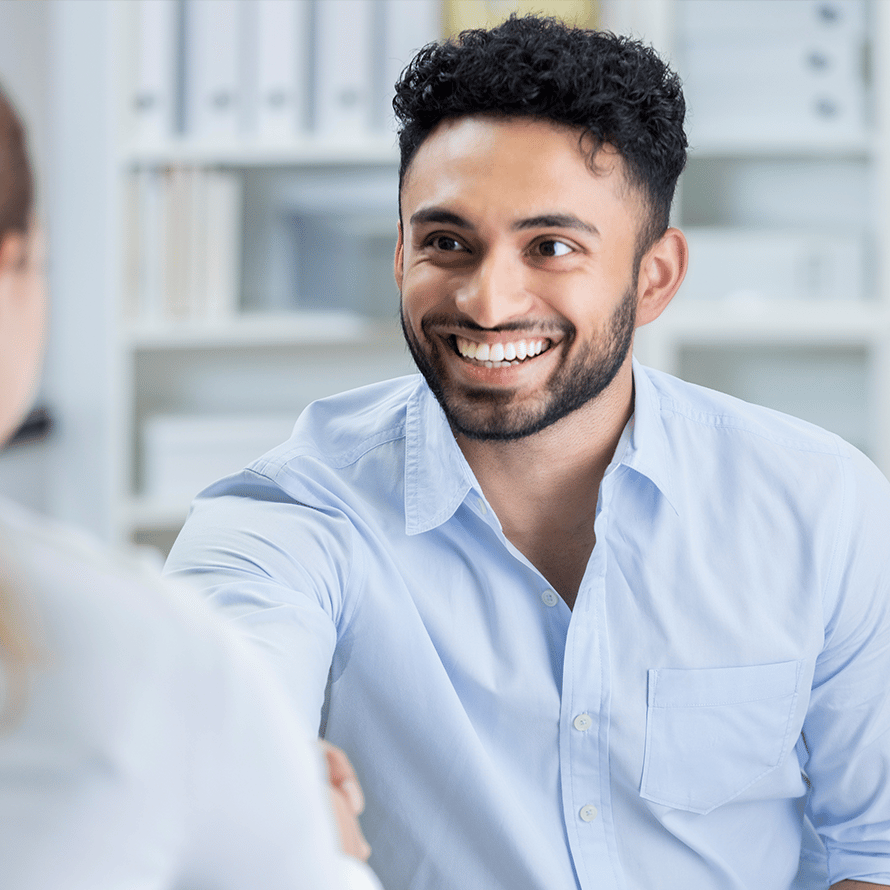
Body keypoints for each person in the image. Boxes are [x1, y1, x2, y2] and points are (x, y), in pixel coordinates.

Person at [165, 15, 890, 890]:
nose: (487, 300)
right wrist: (251, 774)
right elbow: (222, 681)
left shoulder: (820, 503)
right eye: (446, 242)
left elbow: (872, 848)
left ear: (653, 277)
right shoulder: (295, 512)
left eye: (551, 247)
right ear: (399, 255)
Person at [0, 85, 381, 890]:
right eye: (445, 242)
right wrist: (284, 787)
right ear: (15, 263)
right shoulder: (113, 643)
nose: (489, 301)